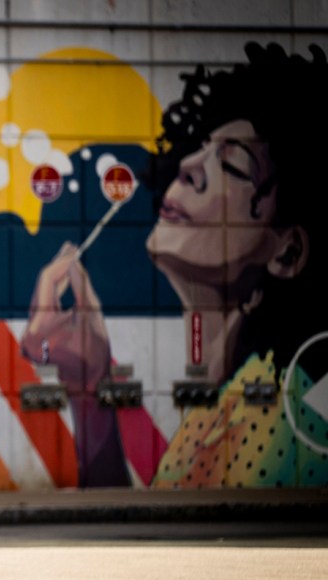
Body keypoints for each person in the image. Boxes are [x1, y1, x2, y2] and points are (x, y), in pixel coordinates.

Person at [20, 42, 328, 488]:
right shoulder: (229, 399)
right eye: (200, 148)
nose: (188, 166)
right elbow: (120, 524)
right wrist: (88, 379)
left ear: (287, 252)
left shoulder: (284, 417)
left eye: (231, 166)